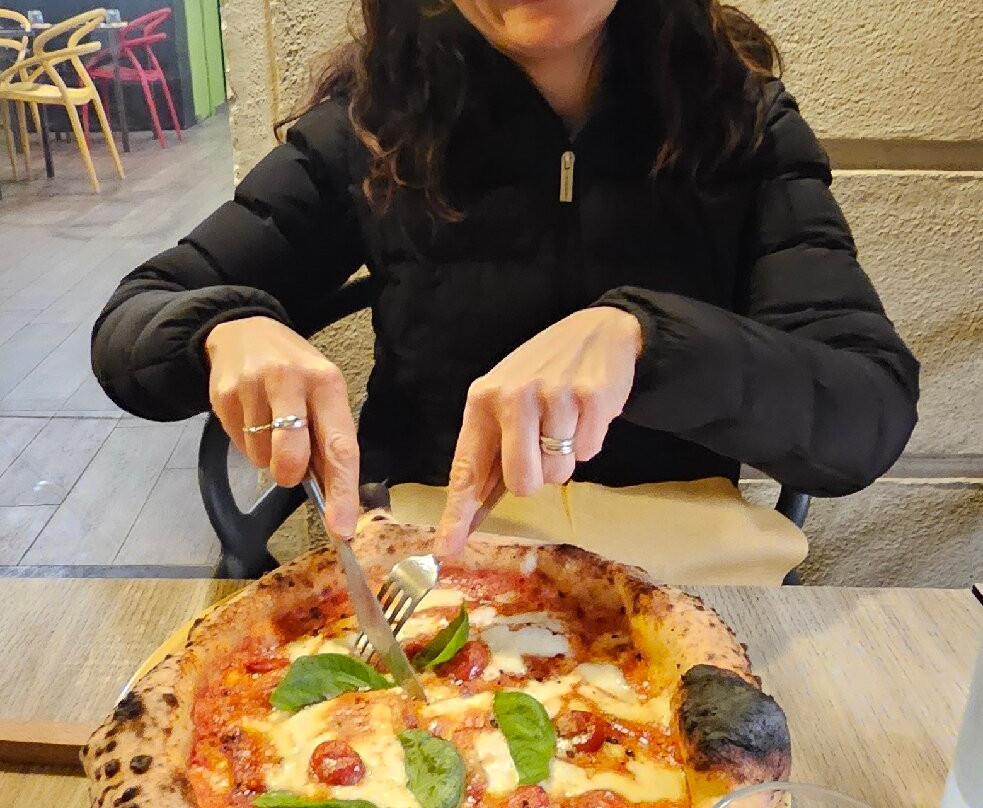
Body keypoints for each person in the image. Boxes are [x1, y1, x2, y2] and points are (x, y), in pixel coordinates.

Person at [91, 0, 918, 578]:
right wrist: (223, 328)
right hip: (430, 566)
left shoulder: (740, 121)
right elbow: (135, 320)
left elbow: (866, 415)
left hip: (676, 572)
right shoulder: (374, 121)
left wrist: (649, 341)